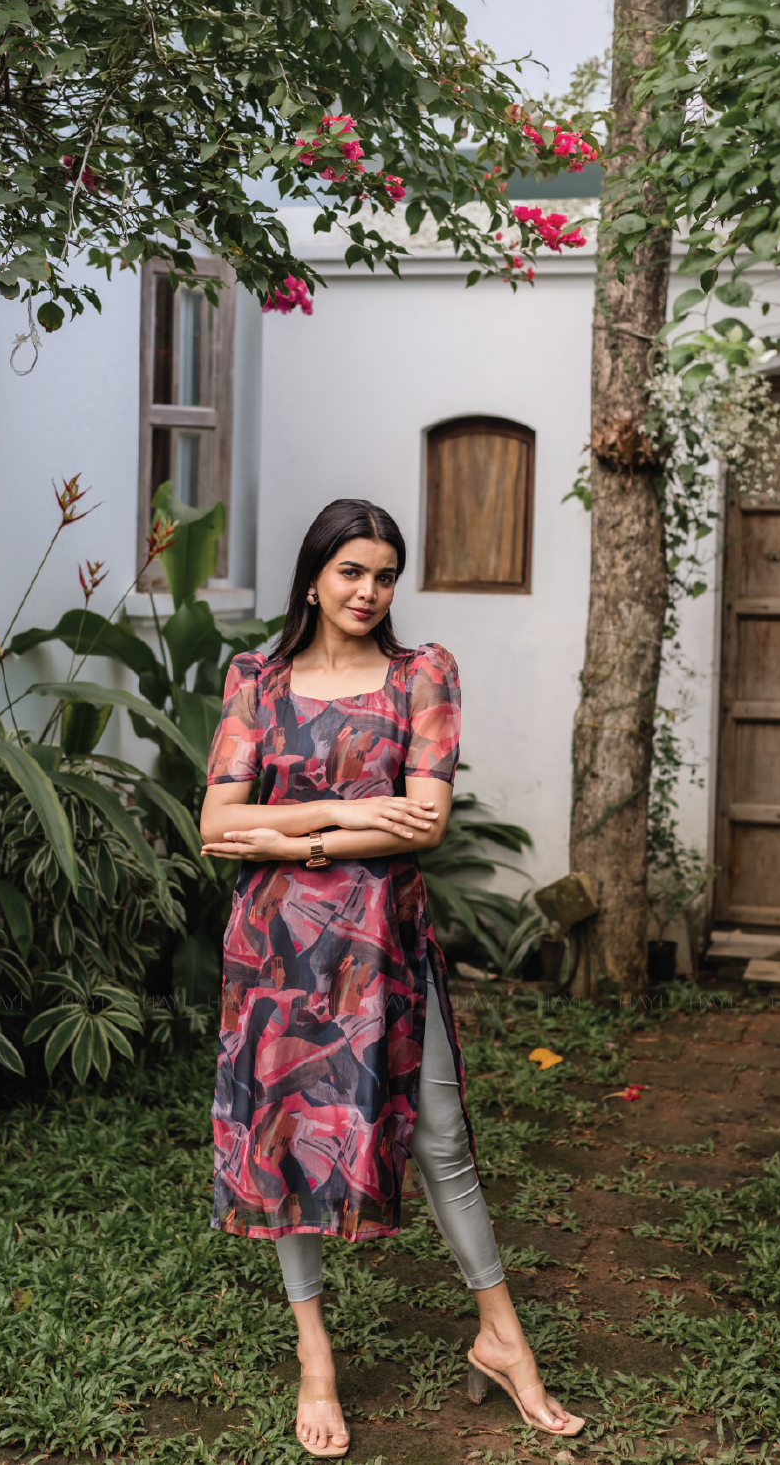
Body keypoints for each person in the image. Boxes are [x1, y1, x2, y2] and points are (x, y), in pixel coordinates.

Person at [201, 498, 584, 1458]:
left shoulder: (423, 675)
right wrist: (351, 818)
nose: (368, 591)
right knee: (286, 1139)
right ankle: (315, 1359)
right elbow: (215, 825)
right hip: (277, 951)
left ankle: (502, 1338)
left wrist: (286, 834)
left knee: (441, 1132)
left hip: (384, 940)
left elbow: (427, 822)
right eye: (351, 572)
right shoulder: (256, 679)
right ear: (313, 579)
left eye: (384, 575)